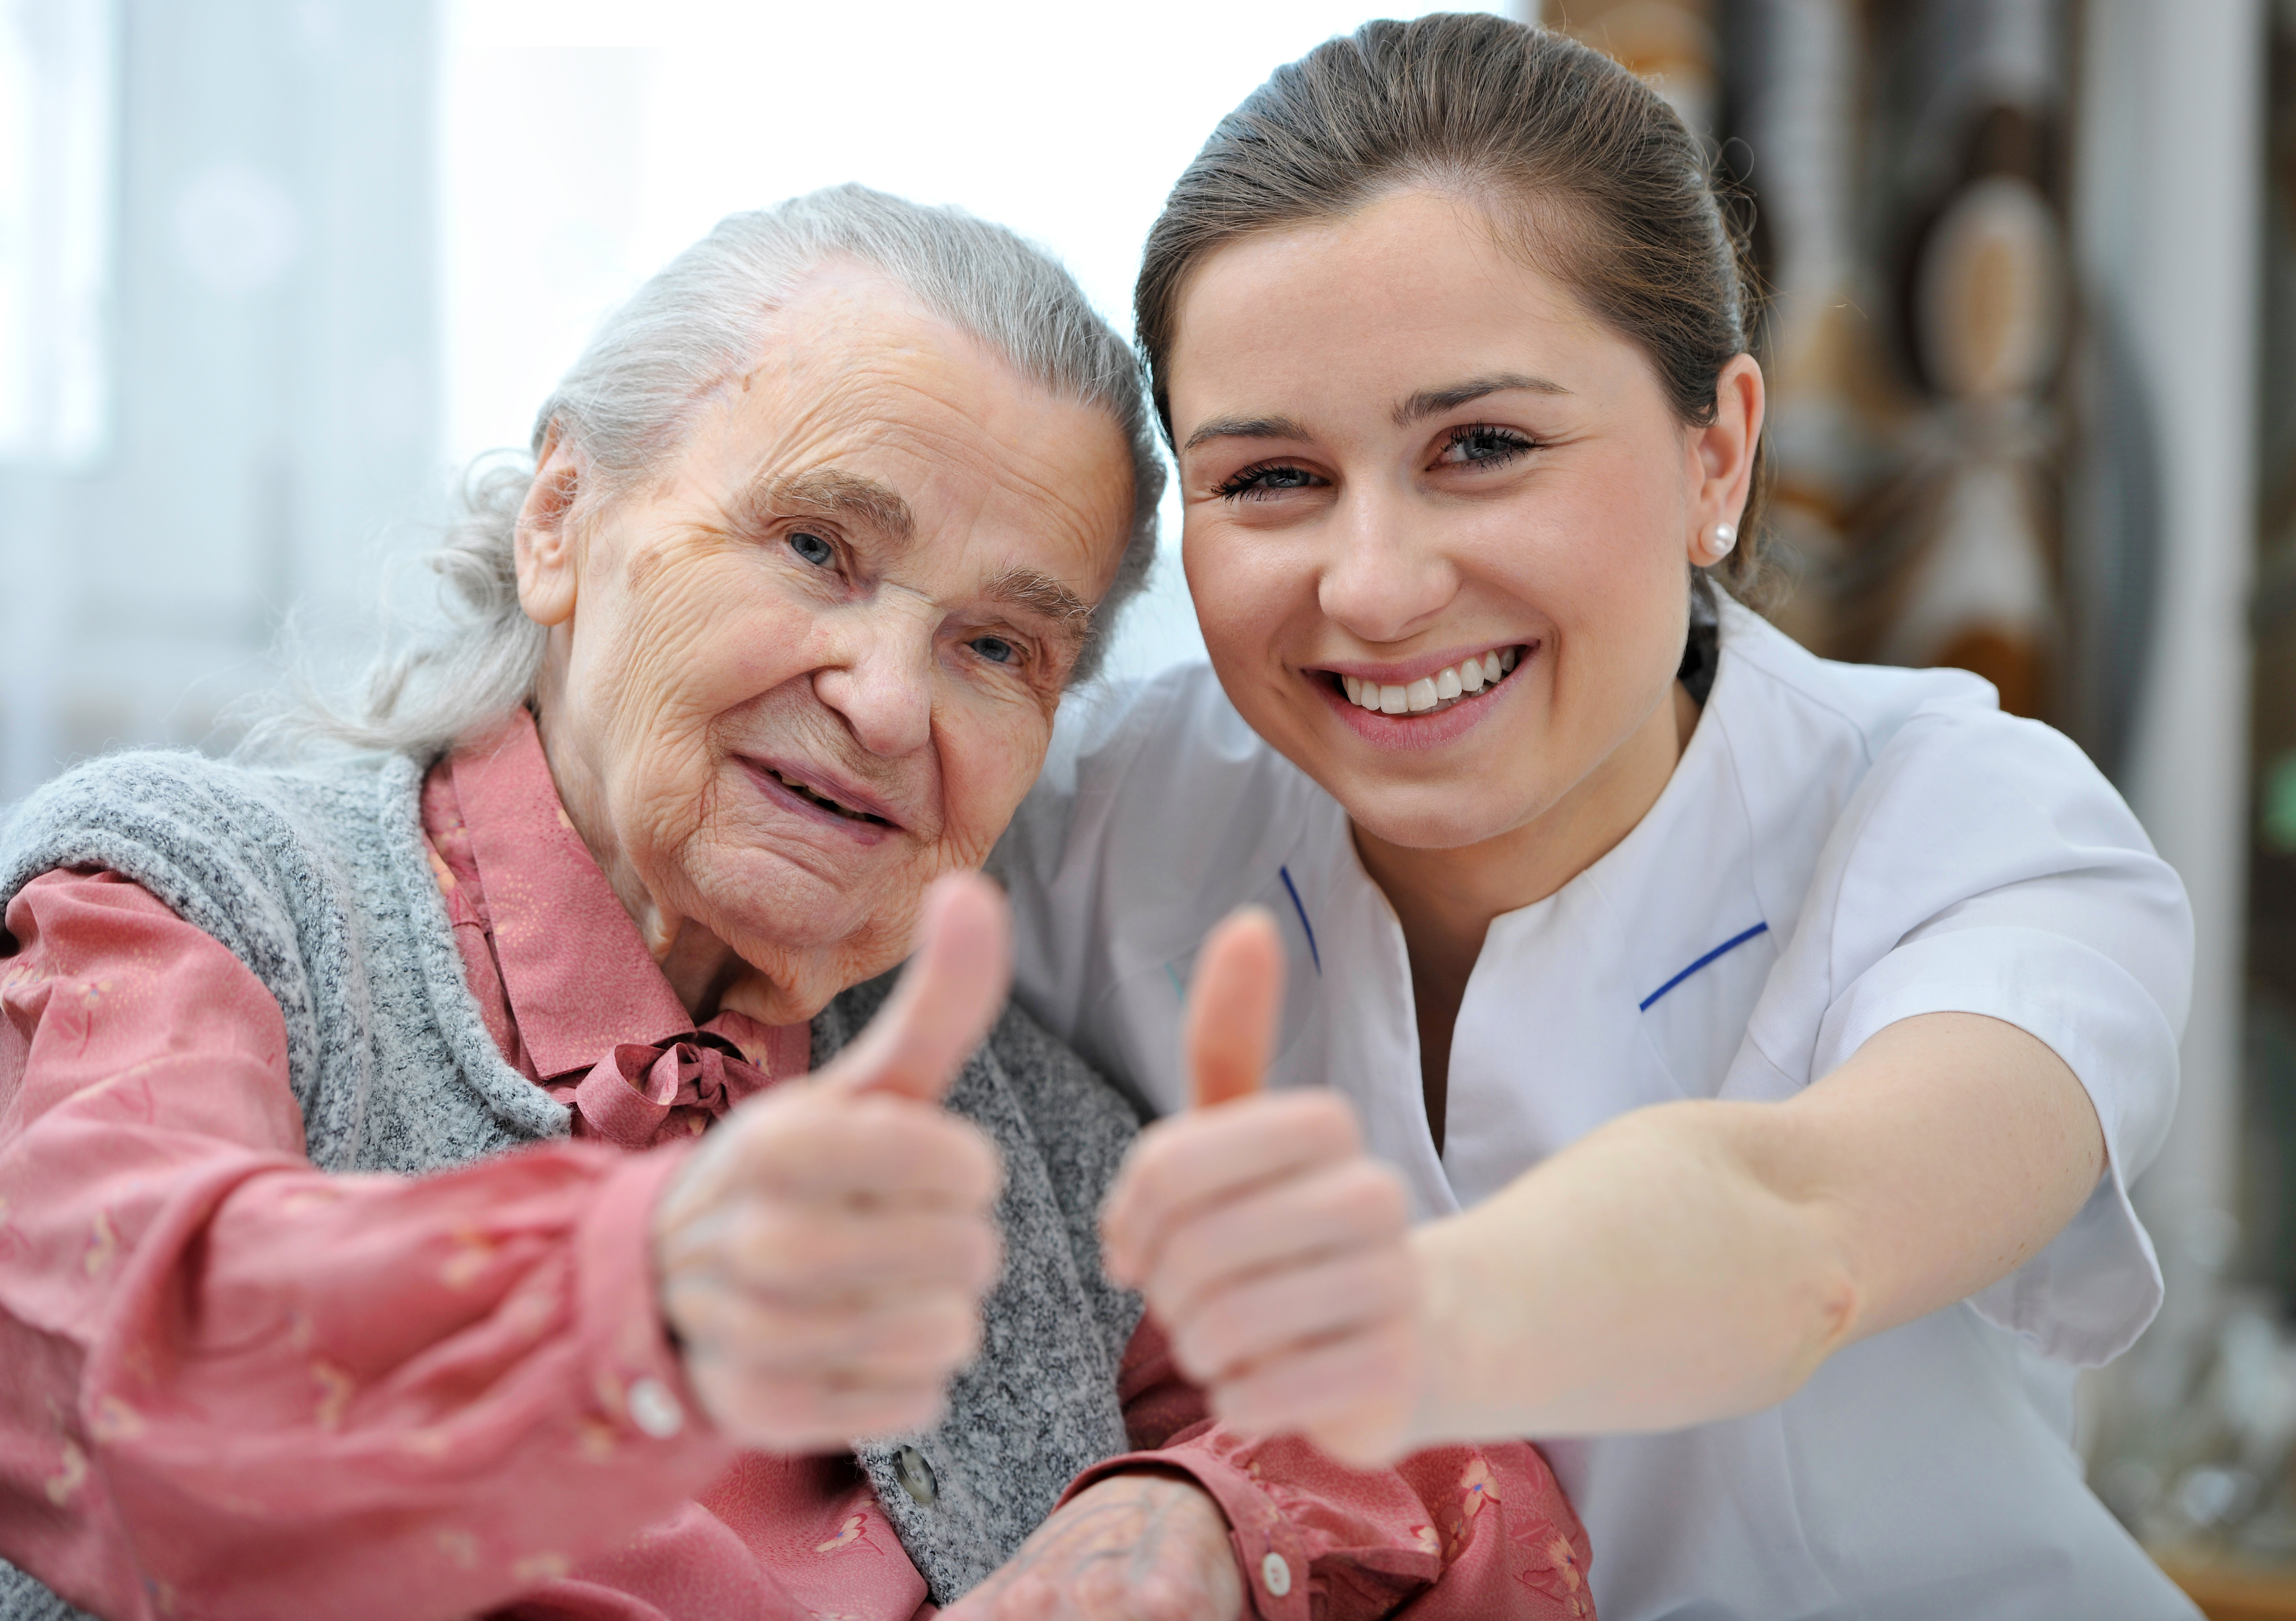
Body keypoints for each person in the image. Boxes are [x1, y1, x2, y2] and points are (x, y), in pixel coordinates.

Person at [0, 187, 1589, 1621]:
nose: (891, 704)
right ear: (562, 519)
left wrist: (1191, 1523)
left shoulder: (1018, 1133)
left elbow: (1458, 1472)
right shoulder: (194, 910)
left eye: (997, 648)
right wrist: (653, 1290)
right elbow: (102, 1365)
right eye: (819, 547)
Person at [991, 16, 2199, 1620]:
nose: (1374, 585)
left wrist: (1378, 1343)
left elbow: (1802, 1228)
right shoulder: (1105, 816)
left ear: (1720, 453)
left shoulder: (1971, 827)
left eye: (1481, 447)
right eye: (1270, 478)